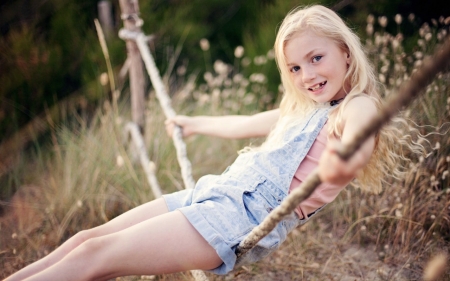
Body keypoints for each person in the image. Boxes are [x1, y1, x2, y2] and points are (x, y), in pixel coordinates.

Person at [5, 5, 421, 281]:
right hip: (214, 191)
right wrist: (194, 122)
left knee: (95, 259)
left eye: (316, 58)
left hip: (238, 217)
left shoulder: (356, 107)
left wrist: (343, 162)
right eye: (294, 66)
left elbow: (359, 141)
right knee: (87, 240)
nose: (306, 74)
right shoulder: (306, 109)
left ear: (346, 54)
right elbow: (246, 124)